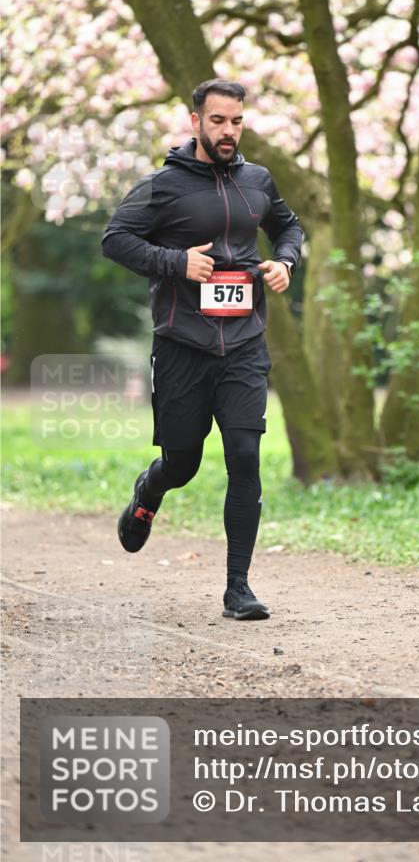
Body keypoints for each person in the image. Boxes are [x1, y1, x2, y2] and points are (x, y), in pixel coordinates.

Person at [101, 79, 303, 621]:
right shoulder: (162, 186)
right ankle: (150, 489)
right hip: (182, 346)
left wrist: (285, 261)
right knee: (184, 462)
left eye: (236, 121)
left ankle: (239, 589)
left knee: (244, 455)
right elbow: (115, 239)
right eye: (218, 121)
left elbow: (288, 226)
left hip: (243, 344)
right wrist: (176, 263)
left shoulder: (258, 181)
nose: (228, 131)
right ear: (195, 122)